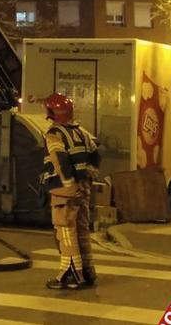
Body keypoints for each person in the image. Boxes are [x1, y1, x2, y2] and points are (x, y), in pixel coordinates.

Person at [41, 93, 100, 290]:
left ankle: (71, 275)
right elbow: (96, 155)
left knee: (66, 231)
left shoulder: (55, 134)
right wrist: (87, 179)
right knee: (82, 230)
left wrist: (68, 185)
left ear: (52, 113)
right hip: (83, 189)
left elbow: (60, 161)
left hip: (65, 192)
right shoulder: (81, 132)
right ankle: (88, 271)